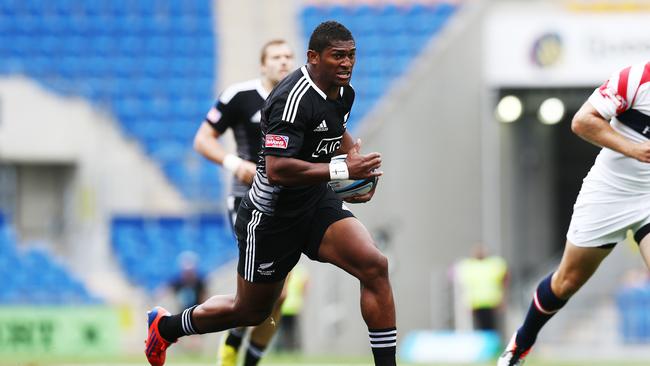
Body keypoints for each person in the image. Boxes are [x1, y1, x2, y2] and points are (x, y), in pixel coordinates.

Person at [145, 21, 397, 366]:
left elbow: (334, 129)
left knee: (374, 266)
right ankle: (167, 327)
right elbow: (278, 170)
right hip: (271, 217)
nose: (347, 63)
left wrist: (356, 164)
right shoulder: (288, 99)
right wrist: (342, 170)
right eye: (338, 56)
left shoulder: (344, 92)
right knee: (249, 310)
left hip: (315, 202)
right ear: (314, 57)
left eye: (352, 55)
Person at [498, 61, 650, 366]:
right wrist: (634, 149)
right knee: (566, 282)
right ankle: (521, 343)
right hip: (611, 192)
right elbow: (582, 122)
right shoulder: (635, 79)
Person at [192, 39, 295, 366]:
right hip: (247, 200)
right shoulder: (240, 96)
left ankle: (247, 357)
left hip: (290, 203)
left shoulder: (302, 98)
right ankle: (233, 342)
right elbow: (202, 139)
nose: (283, 62)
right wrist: (236, 164)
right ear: (262, 64)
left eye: (288, 56)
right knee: (260, 291)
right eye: (276, 57)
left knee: (280, 296)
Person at [456, 243, 508, 332]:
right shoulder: (469, 266)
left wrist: (503, 298)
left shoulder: (494, 264)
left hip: (492, 303)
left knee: (493, 329)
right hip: (476, 304)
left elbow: (505, 278)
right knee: (479, 330)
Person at [276, 263, 309, 352]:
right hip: (293, 306)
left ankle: (285, 349)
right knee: (292, 330)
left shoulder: (284, 269)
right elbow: (306, 286)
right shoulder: (300, 272)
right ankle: (292, 349)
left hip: (285, 306)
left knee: (282, 330)